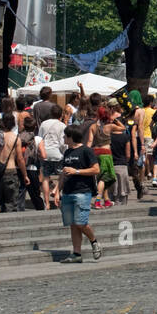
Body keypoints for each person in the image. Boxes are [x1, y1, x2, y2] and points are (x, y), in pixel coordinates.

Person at [58, 124, 102, 262]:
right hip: (68, 191)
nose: (63, 137)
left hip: (83, 191)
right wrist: (57, 190)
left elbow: (96, 170)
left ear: (71, 137)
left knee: (80, 222)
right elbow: (64, 173)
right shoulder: (67, 152)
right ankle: (76, 254)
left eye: (65, 135)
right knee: (73, 224)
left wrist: (76, 171)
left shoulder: (86, 151)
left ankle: (94, 241)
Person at [0, 113, 25, 214]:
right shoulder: (16, 138)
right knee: (11, 202)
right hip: (11, 171)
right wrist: (25, 175)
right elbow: (20, 159)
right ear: (13, 124)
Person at [37, 103, 67, 209]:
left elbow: (39, 139)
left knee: (45, 178)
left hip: (45, 153)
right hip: (57, 153)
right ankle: (56, 192)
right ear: (61, 114)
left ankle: (47, 203)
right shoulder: (62, 125)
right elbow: (63, 142)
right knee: (62, 175)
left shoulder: (43, 124)